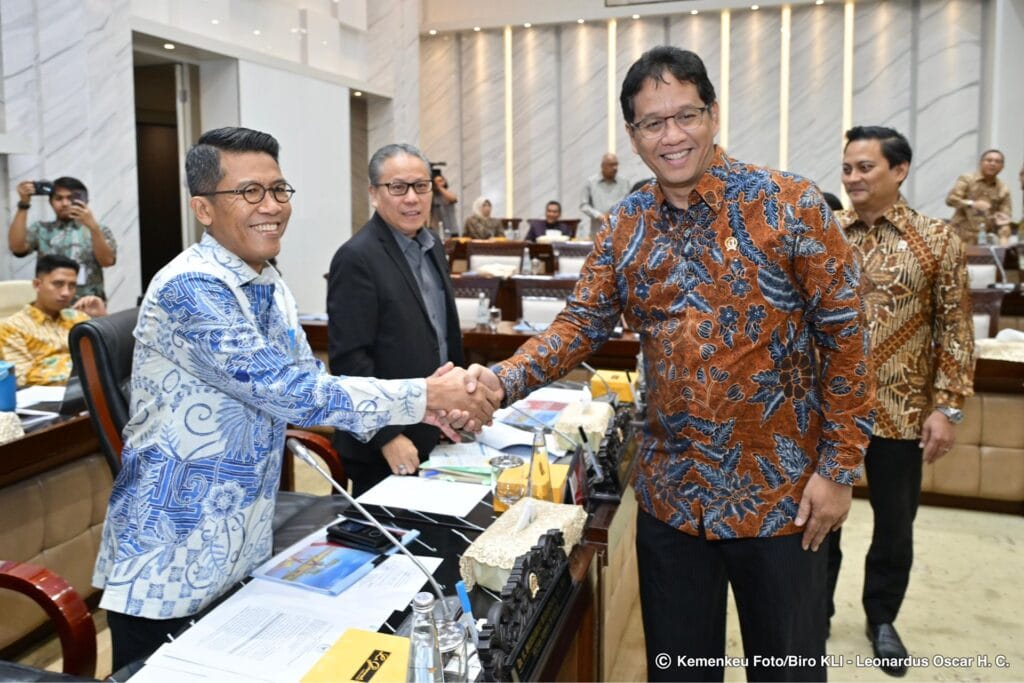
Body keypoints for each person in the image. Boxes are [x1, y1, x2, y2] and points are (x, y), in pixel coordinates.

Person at [470, 46, 874, 682]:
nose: (672, 135)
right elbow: (581, 323)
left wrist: (840, 467)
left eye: (685, 115)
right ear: (633, 136)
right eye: (652, 123)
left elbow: (846, 337)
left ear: (713, 114)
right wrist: (498, 380)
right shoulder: (625, 225)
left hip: (783, 497)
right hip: (673, 500)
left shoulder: (789, 204)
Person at [91, 127, 498, 670]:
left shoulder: (268, 282)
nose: (272, 206)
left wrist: (427, 407)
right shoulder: (191, 287)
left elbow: (311, 378)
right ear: (203, 209)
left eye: (279, 190)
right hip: (173, 558)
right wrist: (425, 394)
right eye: (249, 192)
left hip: (244, 545)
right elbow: (290, 393)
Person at [831, 125, 974, 677]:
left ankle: (882, 617)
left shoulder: (937, 240)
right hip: (829, 410)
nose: (852, 178)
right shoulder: (827, 234)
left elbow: (955, 328)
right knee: (817, 517)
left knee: (895, 523)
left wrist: (948, 406)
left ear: (899, 170)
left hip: (904, 409)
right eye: (847, 168)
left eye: (865, 167)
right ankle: (812, 611)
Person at [328, 143, 466, 495]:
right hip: (387, 446)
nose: (412, 198)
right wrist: (387, 436)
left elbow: (442, 335)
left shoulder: (432, 245)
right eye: (398, 187)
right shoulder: (356, 258)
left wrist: (458, 403)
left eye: (421, 186)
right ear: (374, 194)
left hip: (436, 428)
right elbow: (349, 362)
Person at [0, 254, 106, 387]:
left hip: (88, 388)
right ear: (37, 284)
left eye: (72, 286)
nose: (66, 293)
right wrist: (88, 374)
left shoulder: (78, 318)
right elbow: (22, 379)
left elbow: (108, 355)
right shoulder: (11, 327)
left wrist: (101, 319)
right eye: (58, 284)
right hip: (48, 396)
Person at [8, 176, 118, 301]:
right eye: (58, 198)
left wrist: (93, 228)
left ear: (84, 201)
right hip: (50, 305)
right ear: (51, 202)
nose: (65, 204)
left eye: (70, 198)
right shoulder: (41, 229)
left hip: (88, 304)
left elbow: (107, 261)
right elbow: (17, 247)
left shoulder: (100, 230)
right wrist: (23, 205)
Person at [945, 149, 1011, 243]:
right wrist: (972, 204)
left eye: (997, 161)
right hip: (958, 235)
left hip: (983, 239)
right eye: (989, 160)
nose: (993, 164)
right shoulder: (967, 179)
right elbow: (951, 200)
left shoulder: (1003, 189)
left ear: (1002, 167)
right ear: (981, 163)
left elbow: (1005, 216)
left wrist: (1003, 237)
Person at [579, 153, 630, 239]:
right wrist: (598, 215)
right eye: (611, 165)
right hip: (598, 231)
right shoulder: (590, 182)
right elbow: (584, 205)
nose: (615, 168)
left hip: (620, 231)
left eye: (616, 165)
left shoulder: (625, 182)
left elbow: (628, 203)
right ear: (602, 166)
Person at [429, 170, 458, 236]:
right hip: (437, 231)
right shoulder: (432, 196)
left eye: (440, 181)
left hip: (452, 230)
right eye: (436, 182)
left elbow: (453, 198)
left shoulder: (449, 193)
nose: (438, 183)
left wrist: (440, 187)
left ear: (444, 181)